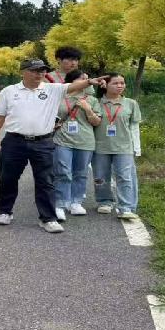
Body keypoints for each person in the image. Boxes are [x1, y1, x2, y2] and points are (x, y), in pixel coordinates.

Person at [0, 59, 108, 233]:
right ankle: (4, 212)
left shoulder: (53, 89)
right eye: (34, 70)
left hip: (43, 142)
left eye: (42, 70)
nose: (39, 74)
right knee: (8, 178)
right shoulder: (9, 91)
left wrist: (89, 81)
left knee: (45, 181)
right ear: (23, 72)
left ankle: (48, 218)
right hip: (14, 141)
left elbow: (72, 86)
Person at [52, 70, 103, 221]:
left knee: (80, 173)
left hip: (85, 141)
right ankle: (60, 204)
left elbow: (97, 122)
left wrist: (88, 109)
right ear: (72, 81)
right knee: (63, 172)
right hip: (62, 140)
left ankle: (76, 202)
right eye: (83, 79)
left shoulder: (92, 100)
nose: (88, 81)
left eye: (88, 78)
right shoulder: (60, 97)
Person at [92, 73, 142, 220]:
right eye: (115, 83)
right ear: (105, 85)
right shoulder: (96, 102)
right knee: (100, 176)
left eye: (122, 83)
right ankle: (104, 201)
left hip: (124, 146)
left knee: (125, 177)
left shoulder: (131, 103)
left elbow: (134, 127)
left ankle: (126, 207)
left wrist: (137, 147)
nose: (120, 86)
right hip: (100, 146)